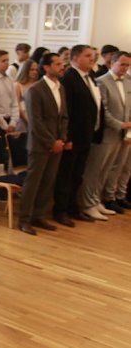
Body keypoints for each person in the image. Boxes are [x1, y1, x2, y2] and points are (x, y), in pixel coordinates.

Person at [18, 53, 68, 235]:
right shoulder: (36, 90)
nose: (62, 67)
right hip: (40, 144)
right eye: (57, 64)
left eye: (62, 64)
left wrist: (62, 139)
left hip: (57, 143)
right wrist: (51, 141)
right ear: (46, 67)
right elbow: (36, 122)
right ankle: (24, 219)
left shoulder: (60, 88)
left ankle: (38, 215)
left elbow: (64, 117)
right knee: (33, 182)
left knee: (48, 181)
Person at [79, 51, 131, 220]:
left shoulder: (128, 82)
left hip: (121, 134)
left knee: (107, 169)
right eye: (122, 64)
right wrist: (120, 124)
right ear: (112, 63)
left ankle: (96, 200)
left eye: (128, 65)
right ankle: (88, 203)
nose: (125, 68)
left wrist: (127, 127)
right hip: (106, 133)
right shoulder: (102, 81)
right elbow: (103, 110)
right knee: (96, 169)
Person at [53, 45, 102, 225]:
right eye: (87, 55)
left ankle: (73, 207)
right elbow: (68, 111)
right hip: (73, 138)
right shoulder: (69, 78)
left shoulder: (89, 77)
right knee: (66, 175)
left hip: (86, 135)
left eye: (93, 56)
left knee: (77, 175)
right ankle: (60, 210)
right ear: (75, 58)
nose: (92, 58)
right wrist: (67, 138)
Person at [14, 59, 40, 131]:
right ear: (25, 70)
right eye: (32, 70)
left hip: (37, 119)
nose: (35, 72)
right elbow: (17, 105)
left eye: (36, 70)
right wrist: (29, 121)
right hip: (22, 120)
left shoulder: (38, 85)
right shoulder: (18, 85)